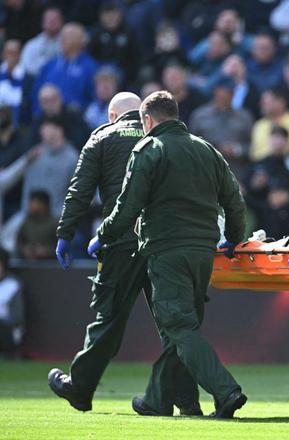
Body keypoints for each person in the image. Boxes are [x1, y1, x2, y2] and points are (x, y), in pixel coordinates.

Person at [89, 91, 248, 419]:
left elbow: (127, 206)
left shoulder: (148, 149)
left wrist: (103, 235)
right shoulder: (206, 149)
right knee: (181, 328)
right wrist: (234, 239)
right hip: (203, 252)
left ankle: (226, 391)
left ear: (147, 120)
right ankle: (156, 400)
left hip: (167, 249)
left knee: (178, 326)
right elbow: (234, 201)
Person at [47, 92, 200, 415]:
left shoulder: (102, 138)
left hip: (120, 242)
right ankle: (186, 400)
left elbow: (80, 190)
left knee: (109, 318)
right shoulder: (164, 135)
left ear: (112, 115)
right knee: (174, 323)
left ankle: (80, 388)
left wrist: (65, 233)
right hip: (165, 242)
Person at [16, 191, 57, 260]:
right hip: (28, 263)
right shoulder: (26, 222)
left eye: (33, 203)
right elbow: (18, 243)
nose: (29, 206)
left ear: (43, 205)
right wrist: (24, 250)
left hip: (50, 263)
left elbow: (64, 248)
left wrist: (47, 251)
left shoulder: (55, 223)